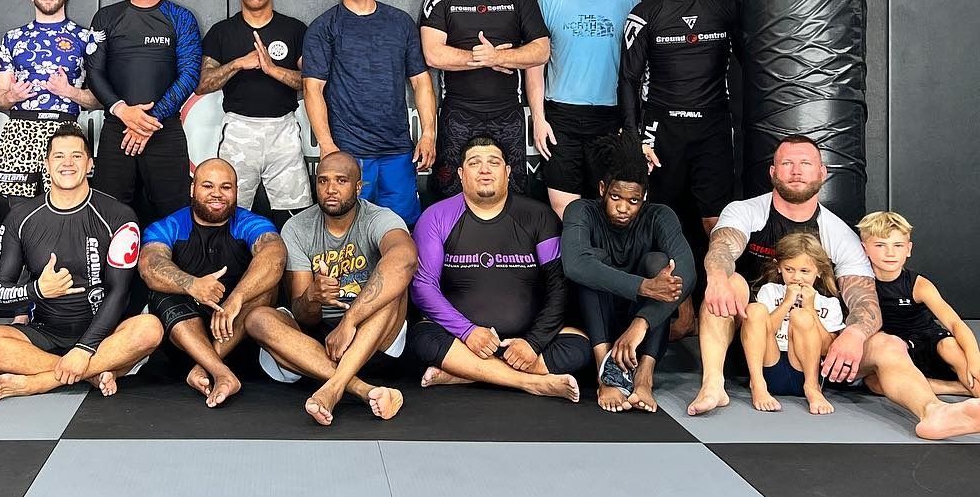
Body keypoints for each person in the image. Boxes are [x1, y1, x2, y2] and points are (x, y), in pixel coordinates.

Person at [687, 135, 980, 440]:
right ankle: (713, 385)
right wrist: (717, 278)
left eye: (805, 163)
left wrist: (855, 334)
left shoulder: (839, 234)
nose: (796, 171)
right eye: (787, 163)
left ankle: (933, 411)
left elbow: (865, 302)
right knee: (728, 281)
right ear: (773, 172)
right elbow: (722, 248)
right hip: (756, 342)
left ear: (822, 172)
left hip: (815, 351)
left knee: (888, 344)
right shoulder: (745, 211)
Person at [0, 124, 162, 400]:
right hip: (43, 334)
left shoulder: (118, 216)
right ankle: (93, 373)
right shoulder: (21, 217)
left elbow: (119, 292)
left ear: (90, 164)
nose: (67, 163)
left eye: (76, 156)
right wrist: (37, 290)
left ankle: (43, 381)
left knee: (150, 328)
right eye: (59, 156)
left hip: (104, 334)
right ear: (46, 165)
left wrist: (85, 347)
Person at [410, 136, 584, 401]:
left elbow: (558, 286)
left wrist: (533, 342)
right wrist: (467, 331)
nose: (484, 170)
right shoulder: (435, 216)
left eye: (493, 162)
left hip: (525, 340)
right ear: (461, 174)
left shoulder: (539, 216)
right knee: (423, 337)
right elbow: (423, 287)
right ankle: (531, 382)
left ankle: (466, 373)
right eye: (474, 163)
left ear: (508, 171)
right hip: (460, 338)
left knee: (579, 345)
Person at [246, 151, 413, 425]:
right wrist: (313, 296)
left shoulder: (379, 218)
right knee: (257, 319)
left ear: (358, 187)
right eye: (323, 181)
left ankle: (333, 389)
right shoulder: (297, 227)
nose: (331, 189)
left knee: (393, 290)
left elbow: (404, 260)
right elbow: (304, 317)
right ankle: (361, 388)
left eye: (341, 181)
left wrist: (350, 321)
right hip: (318, 345)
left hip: (372, 335)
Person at [303, 0, 436, 227]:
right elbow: (313, 89)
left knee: (400, 230)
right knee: (349, 231)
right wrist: (327, 145)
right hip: (349, 152)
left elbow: (421, 81)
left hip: (397, 151)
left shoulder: (400, 23)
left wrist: (428, 134)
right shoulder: (324, 27)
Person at [561, 131, 695, 414]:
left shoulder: (660, 216)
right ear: (602, 189)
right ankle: (605, 372)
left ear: (644, 196)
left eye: (633, 201)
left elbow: (688, 272)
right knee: (593, 262)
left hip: (641, 327)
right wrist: (644, 286)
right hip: (595, 321)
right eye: (615, 197)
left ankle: (645, 375)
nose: (623, 208)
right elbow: (574, 264)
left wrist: (640, 323)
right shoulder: (581, 211)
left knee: (661, 264)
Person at [619, 0, 743, 235]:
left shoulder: (728, 7)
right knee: (662, 219)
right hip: (661, 128)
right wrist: (634, 138)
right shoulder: (644, 14)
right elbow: (628, 79)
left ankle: (717, 269)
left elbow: (755, 66)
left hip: (713, 127)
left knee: (716, 220)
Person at [138, 158, 286, 407]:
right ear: (192, 188)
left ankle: (208, 367)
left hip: (237, 336)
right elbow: (149, 265)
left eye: (226, 187)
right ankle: (221, 373)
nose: (217, 194)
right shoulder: (171, 225)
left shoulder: (249, 222)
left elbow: (275, 255)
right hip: (185, 340)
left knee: (265, 289)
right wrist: (192, 285)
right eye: (208, 186)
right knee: (161, 292)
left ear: (236, 191)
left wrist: (236, 299)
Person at [420, 0, 549, 198]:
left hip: (508, 114)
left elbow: (541, 51)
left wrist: (499, 56)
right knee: (451, 193)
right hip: (458, 115)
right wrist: (485, 58)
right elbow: (433, 53)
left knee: (513, 193)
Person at [523, 0, 640, 220]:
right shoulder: (548, 3)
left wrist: (631, 124)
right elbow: (534, 66)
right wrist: (539, 119)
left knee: (609, 205)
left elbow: (641, 68)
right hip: (561, 117)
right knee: (565, 208)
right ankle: (574, 252)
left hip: (611, 117)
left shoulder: (630, 4)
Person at [87, 0, 202, 227]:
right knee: (107, 216)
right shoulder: (106, 17)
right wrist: (123, 111)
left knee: (176, 218)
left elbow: (190, 73)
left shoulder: (181, 18)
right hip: (118, 129)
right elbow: (94, 72)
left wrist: (150, 119)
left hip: (164, 129)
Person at [197, 0, 311, 220]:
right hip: (239, 129)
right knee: (228, 208)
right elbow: (202, 84)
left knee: (294, 212)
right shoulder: (222, 31)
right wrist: (238, 63)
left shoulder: (294, 29)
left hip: (283, 129)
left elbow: (310, 83)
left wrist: (272, 69)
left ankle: (289, 249)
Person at [0, 0, 100, 201]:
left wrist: (69, 91)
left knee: (67, 204)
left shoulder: (85, 38)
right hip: (20, 129)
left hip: (65, 131)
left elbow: (100, 99)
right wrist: (11, 97)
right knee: (19, 208)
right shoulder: (13, 38)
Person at [858, 210, 980, 397]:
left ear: (908, 249)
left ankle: (973, 386)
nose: (890, 253)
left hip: (929, 343)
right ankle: (957, 388)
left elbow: (955, 323)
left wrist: (974, 359)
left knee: (950, 347)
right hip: (897, 349)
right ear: (864, 248)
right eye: (880, 245)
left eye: (898, 245)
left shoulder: (918, 285)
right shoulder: (857, 284)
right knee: (873, 383)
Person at [742, 233, 846, 415]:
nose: (797, 277)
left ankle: (812, 388)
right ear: (779, 267)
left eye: (804, 271)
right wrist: (786, 303)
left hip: (804, 369)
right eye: (789, 269)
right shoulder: (770, 291)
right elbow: (760, 332)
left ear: (819, 271)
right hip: (769, 363)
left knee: (801, 316)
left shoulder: (829, 303)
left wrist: (810, 309)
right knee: (754, 310)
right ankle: (757, 384)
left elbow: (826, 349)